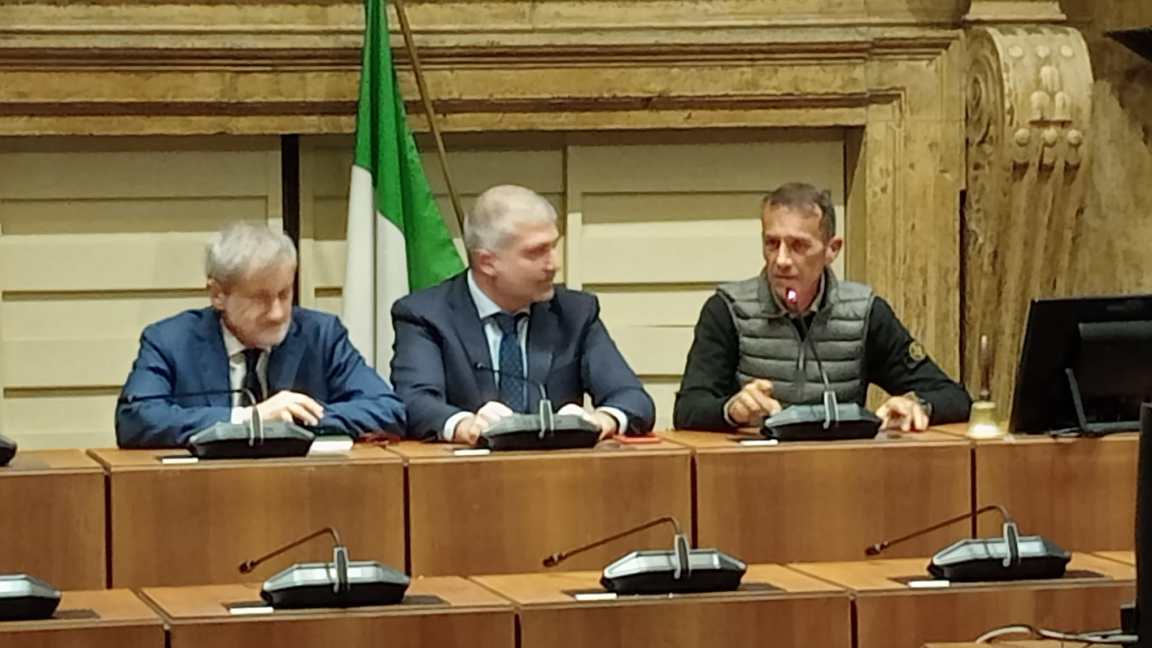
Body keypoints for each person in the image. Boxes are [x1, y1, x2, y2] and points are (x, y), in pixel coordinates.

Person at [673, 182, 971, 432]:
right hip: (755, 465)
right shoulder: (728, 309)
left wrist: (916, 405)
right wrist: (732, 410)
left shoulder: (864, 312)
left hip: (841, 467)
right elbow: (688, 408)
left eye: (798, 246)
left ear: (832, 249)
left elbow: (953, 397)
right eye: (772, 244)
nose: (781, 260)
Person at [391, 184, 655, 444]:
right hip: (466, 468)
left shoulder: (575, 313)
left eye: (553, 246)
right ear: (487, 262)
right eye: (537, 252)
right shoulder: (426, 315)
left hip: (560, 468)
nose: (554, 264)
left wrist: (600, 421)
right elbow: (414, 401)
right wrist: (465, 426)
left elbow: (632, 398)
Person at [115, 222, 406, 447]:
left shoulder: (321, 335)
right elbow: (135, 419)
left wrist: (291, 420)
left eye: (284, 294)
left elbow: (388, 410)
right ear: (218, 295)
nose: (277, 313)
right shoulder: (171, 341)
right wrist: (250, 418)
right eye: (260, 299)